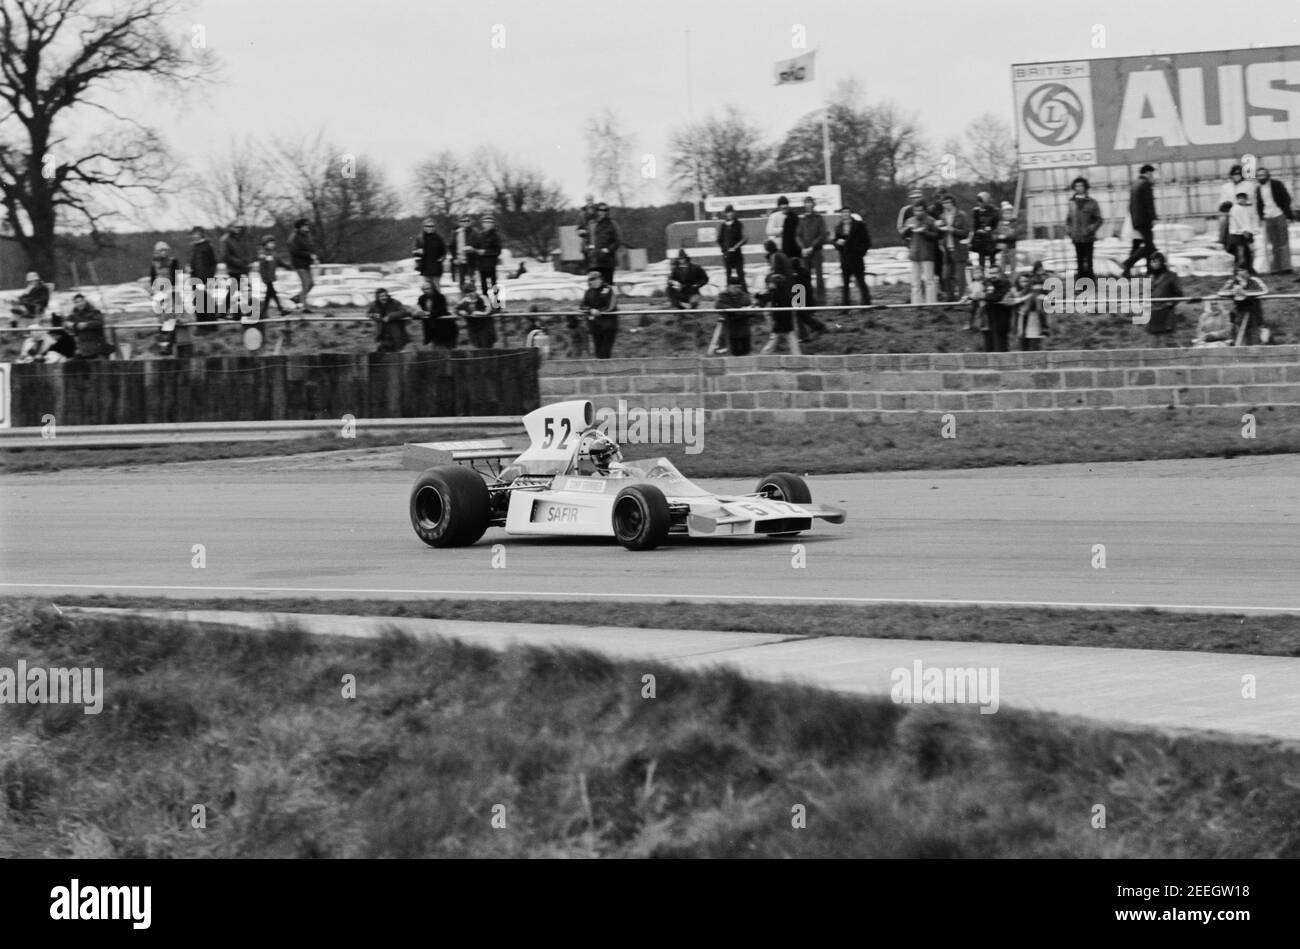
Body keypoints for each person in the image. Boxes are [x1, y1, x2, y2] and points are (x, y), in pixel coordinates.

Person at [1254, 167, 1294, 275]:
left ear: (1267, 175)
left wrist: (1285, 212)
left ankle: (1286, 267)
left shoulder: (1277, 184)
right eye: (1259, 175)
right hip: (1268, 217)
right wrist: (1261, 216)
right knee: (1273, 243)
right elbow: (1259, 204)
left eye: (1263, 174)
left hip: (1279, 214)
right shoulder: (1258, 189)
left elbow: (1287, 198)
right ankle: (1276, 268)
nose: (1261, 177)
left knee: (1283, 242)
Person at [1120, 164, 1158, 278]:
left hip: (1136, 220)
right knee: (1149, 246)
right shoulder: (1145, 184)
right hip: (1144, 220)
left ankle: (1126, 272)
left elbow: (1130, 205)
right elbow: (1148, 203)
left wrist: (1133, 220)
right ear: (1148, 173)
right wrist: (1153, 218)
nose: (1153, 177)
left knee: (1136, 246)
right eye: (1152, 174)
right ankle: (1128, 263)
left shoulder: (1134, 184)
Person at [900, 197, 940, 304]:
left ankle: (931, 303)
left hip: (927, 254)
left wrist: (925, 232)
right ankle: (916, 303)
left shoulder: (931, 221)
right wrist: (907, 229)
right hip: (914, 253)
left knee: (929, 281)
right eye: (916, 210)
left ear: (925, 210)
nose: (918, 213)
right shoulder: (909, 221)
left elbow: (936, 236)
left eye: (920, 210)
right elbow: (902, 235)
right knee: (915, 281)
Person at [1065, 177, 1103, 282]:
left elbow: (1099, 219)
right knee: (1079, 262)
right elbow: (1068, 220)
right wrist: (1069, 231)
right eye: (1077, 186)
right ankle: (1081, 284)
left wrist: (1091, 228)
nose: (1079, 188)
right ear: (1074, 187)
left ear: (1085, 187)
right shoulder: (1071, 203)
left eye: (1081, 185)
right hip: (1076, 238)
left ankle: (1091, 283)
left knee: (1089, 262)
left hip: (1088, 237)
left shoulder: (1092, 202)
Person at [1216, 270, 1269, 345]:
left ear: (1247, 273)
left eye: (1243, 271)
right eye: (1239, 271)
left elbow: (1264, 291)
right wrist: (1233, 292)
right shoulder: (1232, 281)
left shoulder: (1255, 280)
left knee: (1255, 341)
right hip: (1239, 315)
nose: (1241, 273)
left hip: (1254, 315)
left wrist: (1246, 293)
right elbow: (1221, 292)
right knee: (1240, 341)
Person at [833, 207, 872, 306]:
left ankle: (866, 304)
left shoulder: (859, 225)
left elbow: (867, 242)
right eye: (843, 212)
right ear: (841, 214)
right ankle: (845, 306)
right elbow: (835, 241)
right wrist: (838, 244)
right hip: (845, 259)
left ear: (850, 213)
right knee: (845, 284)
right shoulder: (838, 227)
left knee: (861, 281)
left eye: (847, 212)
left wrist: (860, 253)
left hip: (856, 258)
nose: (845, 214)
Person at [1144, 252, 1183, 346]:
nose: (1154, 263)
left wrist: (1170, 303)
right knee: (1153, 344)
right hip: (1153, 313)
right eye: (1152, 261)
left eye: (1156, 261)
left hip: (1166, 312)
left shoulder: (1171, 276)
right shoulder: (1148, 276)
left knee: (1170, 343)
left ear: (1162, 262)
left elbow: (1179, 294)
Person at [796, 196, 829, 304]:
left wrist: (812, 246)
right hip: (805, 252)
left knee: (819, 275)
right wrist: (803, 248)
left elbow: (822, 234)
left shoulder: (819, 218)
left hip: (816, 251)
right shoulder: (802, 219)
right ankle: (808, 299)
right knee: (805, 276)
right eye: (806, 203)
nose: (808, 206)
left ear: (813, 205)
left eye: (810, 203)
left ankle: (821, 299)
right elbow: (798, 235)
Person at [935, 195, 969, 301]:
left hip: (959, 249)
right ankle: (950, 299)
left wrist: (952, 230)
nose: (946, 205)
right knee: (945, 276)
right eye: (944, 203)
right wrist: (937, 227)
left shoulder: (961, 215)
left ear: (953, 203)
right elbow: (939, 235)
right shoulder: (942, 217)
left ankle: (962, 300)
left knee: (960, 277)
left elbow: (966, 233)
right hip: (946, 251)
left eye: (948, 202)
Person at [757, 272, 799, 355]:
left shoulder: (777, 293)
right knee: (791, 338)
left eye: (771, 283)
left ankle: (763, 356)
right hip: (786, 320)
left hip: (780, 320)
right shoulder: (784, 292)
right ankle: (797, 355)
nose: (769, 285)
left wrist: (759, 296)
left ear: (776, 283)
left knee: (775, 339)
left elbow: (773, 303)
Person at [971, 269, 1012, 352]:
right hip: (987, 318)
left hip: (1001, 319)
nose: (993, 275)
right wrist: (969, 297)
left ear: (1000, 274)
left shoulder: (1005, 283)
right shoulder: (986, 283)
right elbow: (976, 295)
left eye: (995, 273)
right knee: (988, 344)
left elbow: (998, 297)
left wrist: (985, 296)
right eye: (991, 273)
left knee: (1000, 345)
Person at [582, 269, 618, 358]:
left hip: (608, 326)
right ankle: (600, 370)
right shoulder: (588, 292)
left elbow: (611, 306)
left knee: (605, 351)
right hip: (595, 326)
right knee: (598, 352)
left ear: (601, 279)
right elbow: (583, 306)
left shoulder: (609, 290)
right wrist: (590, 310)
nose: (593, 282)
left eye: (595, 279)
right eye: (591, 280)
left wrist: (599, 312)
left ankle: (607, 369)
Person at [713, 277, 754, 356]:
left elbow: (750, 309)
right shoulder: (722, 296)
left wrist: (737, 312)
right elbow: (719, 306)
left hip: (744, 325)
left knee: (746, 349)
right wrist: (737, 311)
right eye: (734, 287)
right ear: (728, 286)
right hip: (730, 325)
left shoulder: (744, 296)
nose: (737, 289)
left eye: (738, 287)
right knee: (734, 350)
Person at [1008, 273, 1048, 351]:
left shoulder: (1034, 292)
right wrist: (1022, 299)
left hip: (1034, 325)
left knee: (1034, 348)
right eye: (1022, 281)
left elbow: (1045, 304)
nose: (1025, 283)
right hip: (1022, 325)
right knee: (1023, 348)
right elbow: (1008, 301)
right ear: (1018, 282)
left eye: (1026, 281)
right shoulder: (1018, 292)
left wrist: (1045, 298)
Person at [1218, 165, 1255, 250]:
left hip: (1244, 214)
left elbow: (1249, 200)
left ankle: (1248, 253)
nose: (1236, 176)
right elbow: (1223, 201)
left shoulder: (1249, 185)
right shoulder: (1226, 187)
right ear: (1231, 175)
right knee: (1226, 227)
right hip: (1231, 214)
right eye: (1234, 174)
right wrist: (1226, 205)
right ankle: (1223, 242)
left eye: (1238, 174)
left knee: (1246, 240)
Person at [1226, 189, 1262, 274]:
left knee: (1249, 251)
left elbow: (1254, 219)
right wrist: (1244, 231)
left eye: (1243, 198)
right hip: (1237, 234)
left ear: (1246, 199)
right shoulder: (1235, 209)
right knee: (1240, 251)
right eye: (1239, 198)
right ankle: (1238, 269)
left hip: (1248, 233)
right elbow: (1238, 221)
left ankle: (1249, 268)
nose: (1241, 200)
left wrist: (1254, 230)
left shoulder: (1250, 208)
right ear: (1237, 199)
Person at [256, 236, 292, 320]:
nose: (272, 245)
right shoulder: (262, 254)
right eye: (270, 243)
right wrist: (264, 276)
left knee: (269, 295)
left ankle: (263, 312)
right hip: (266, 277)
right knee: (273, 293)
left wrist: (288, 266)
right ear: (265, 244)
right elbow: (262, 267)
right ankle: (280, 309)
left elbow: (279, 262)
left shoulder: (274, 254)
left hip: (271, 277)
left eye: (273, 243)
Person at [188, 226, 218, 328]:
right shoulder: (193, 247)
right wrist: (190, 269)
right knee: (198, 302)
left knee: (207, 302)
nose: (194, 236)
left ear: (201, 234)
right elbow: (193, 263)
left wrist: (209, 278)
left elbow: (213, 263)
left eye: (196, 233)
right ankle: (201, 326)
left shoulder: (207, 246)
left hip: (205, 279)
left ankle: (212, 326)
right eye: (193, 234)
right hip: (195, 279)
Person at [219, 222, 250, 318]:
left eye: (239, 227)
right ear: (230, 228)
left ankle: (227, 312)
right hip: (233, 268)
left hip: (238, 268)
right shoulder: (226, 239)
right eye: (236, 227)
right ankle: (228, 312)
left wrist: (244, 262)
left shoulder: (236, 238)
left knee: (234, 290)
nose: (238, 229)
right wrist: (238, 262)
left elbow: (240, 252)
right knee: (233, 290)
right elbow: (225, 256)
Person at [287, 218, 318, 313]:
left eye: (307, 225)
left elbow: (311, 247)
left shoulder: (306, 236)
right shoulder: (294, 237)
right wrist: (309, 255)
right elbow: (294, 251)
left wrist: (314, 256)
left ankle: (298, 298)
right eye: (305, 225)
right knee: (306, 283)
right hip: (299, 264)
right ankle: (304, 307)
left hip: (306, 263)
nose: (307, 227)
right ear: (300, 226)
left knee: (311, 283)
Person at [67, 293, 110, 359]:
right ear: (75, 304)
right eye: (77, 302)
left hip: (96, 346)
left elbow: (99, 322)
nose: (80, 304)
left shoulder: (94, 311)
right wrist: (69, 324)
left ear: (85, 301)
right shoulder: (73, 314)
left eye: (81, 301)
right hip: (82, 348)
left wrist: (86, 325)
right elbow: (65, 324)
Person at [454, 279, 495, 348]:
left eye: (472, 291)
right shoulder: (464, 301)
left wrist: (480, 313)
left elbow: (489, 310)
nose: (470, 294)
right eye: (467, 292)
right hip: (473, 328)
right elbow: (455, 309)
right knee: (477, 346)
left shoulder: (483, 298)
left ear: (475, 290)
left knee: (486, 346)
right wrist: (460, 312)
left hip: (485, 327)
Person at [589, 203, 622, 285]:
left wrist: (608, 249)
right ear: (597, 211)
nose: (603, 212)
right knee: (595, 286)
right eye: (600, 210)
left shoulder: (612, 223)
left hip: (608, 260)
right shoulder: (592, 224)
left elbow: (618, 241)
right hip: (595, 259)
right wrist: (589, 248)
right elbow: (588, 239)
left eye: (605, 210)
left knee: (607, 286)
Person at [716, 204, 748, 292]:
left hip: (737, 254)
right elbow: (719, 240)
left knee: (740, 274)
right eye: (728, 212)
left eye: (731, 212)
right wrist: (724, 249)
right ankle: (728, 293)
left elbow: (745, 238)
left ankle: (744, 293)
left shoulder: (738, 224)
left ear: (734, 213)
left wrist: (736, 247)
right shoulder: (723, 225)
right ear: (725, 214)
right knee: (728, 274)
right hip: (727, 255)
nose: (730, 214)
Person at [368, 288, 409, 353]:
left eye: (385, 295)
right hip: (382, 335)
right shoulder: (374, 304)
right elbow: (369, 313)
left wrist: (390, 316)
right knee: (383, 356)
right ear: (377, 297)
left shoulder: (395, 302)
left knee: (398, 354)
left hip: (396, 335)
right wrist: (376, 316)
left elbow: (404, 311)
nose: (384, 298)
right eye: (381, 296)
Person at [418, 280, 456, 349]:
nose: (426, 291)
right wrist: (417, 312)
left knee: (446, 349)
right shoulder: (421, 298)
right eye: (424, 289)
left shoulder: (440, 297)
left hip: (444, 328)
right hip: (430, 328)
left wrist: (429, 313)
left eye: (428, 288)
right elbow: (419, 309)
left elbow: (442, 310)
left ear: (433, 288)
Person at [969, 192, 1000, 273]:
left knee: (992, 261)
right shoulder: (976, 211)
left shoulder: (995, 211)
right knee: (981, 262)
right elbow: (975, 226)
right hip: (980, 240)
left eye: (981, 201)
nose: (979, 203)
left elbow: (997, 225)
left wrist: (990, 231)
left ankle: (993, 276)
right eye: (978, 202)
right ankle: (981, 278)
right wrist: (977, 233)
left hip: (991, 239)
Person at [475, 215, 503, 298]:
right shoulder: (479, 235)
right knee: (483, 285)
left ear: (493, 224)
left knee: (494, 284)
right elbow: (476, 247)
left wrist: (485, 252)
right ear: (482, 224)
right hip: (481, 264)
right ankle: (486, 305)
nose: (487, 224)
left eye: (489, 222)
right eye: (485, 222)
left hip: (491, 263)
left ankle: (497, 305)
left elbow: (498, 251)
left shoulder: (496, 236)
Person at [449, 214, 477, 286]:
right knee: (462, 282)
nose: (465, 222)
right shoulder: (456, 233)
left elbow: (478, 244)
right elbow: (451, 246)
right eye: (463, 221)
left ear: (470, 222)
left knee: (471, 281)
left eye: (467, 221)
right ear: (460, 222)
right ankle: (463, 296)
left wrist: (472, 248)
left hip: (471, 260)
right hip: (460, 261)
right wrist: (454, 258)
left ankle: (472, 296)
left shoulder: (474, 232)